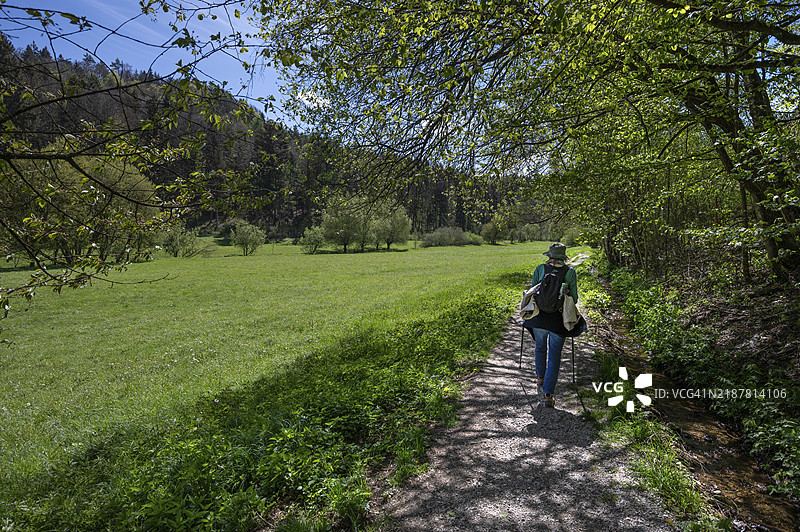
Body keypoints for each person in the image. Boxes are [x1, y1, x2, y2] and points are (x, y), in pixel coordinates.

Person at [522, 242, 583, 408]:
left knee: (540, 347)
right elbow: (575, 298)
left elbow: (531, 293)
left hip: (539, 318)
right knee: (554, 356)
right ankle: (548, 394)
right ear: (563, 257)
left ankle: (540, 378)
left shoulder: (540, 269)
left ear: (549, 256)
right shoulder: (570, 272)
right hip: (558, 321)